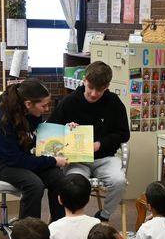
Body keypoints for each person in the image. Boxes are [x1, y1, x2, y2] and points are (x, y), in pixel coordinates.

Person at [48, 60, 130, 222]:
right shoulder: (69, 102)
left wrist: (100, 144)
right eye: (90, 87)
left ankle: (103, 216)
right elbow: (51, 130)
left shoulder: (114, 102)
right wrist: (66, 129)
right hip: (77, 160)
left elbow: (123, 134)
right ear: (84, 80)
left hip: (105, 158)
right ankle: (75, 219)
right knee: (72, 185)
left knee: (119, 181)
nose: (93, 94)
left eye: (99, 90)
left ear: (107, 86)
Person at [0, 78, 67, 221]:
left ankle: (58, 226)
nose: (47, 109)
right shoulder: (1, 120)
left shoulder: (32, 114)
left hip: (20, 157)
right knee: (34, 185)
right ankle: (28, 231)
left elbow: (38, 138)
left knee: (58, 179)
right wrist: (52, 161)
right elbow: (15, 160)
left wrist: (67, 130)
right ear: (28, 104)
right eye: (44, 105)